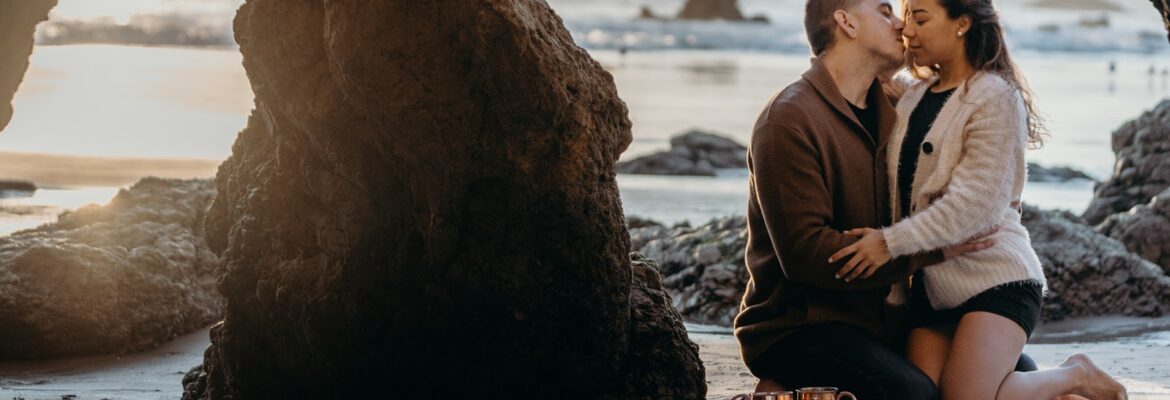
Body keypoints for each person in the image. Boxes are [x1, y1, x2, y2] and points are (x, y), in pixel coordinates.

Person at [829, 1, 1128, 399]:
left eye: (920, 19)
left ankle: (1075, 375)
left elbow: (975, 205)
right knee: (923, 394)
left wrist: (888, 244)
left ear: (962, 24)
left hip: (995, 279)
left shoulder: (995, 98)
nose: (907, 30)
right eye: (905, 19)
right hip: (932, 291)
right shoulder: (913, 98)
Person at [732, 1, 1015, 398]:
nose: (901, 25)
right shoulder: (788, 119)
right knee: (915, 394)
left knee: (1011, 374)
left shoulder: (899, 111)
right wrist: (930, 250)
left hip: (884, 322)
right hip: (798, 327)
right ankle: (788, 385)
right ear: (845, 22)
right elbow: (804, 255)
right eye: (885, 11)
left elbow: (968, 167)